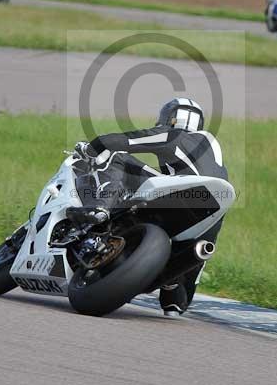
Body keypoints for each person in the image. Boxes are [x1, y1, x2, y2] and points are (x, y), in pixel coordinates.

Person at [66, 97, 228, 317]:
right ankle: (171, 278)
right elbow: (180, 303)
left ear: (170, 119)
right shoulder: (214, 155)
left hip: (183, 192)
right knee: (179, 299)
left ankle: (100, 207)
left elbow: (122, 141)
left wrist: (91, 147)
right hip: (213, 210)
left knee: (118, 158)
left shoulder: (176, 135)